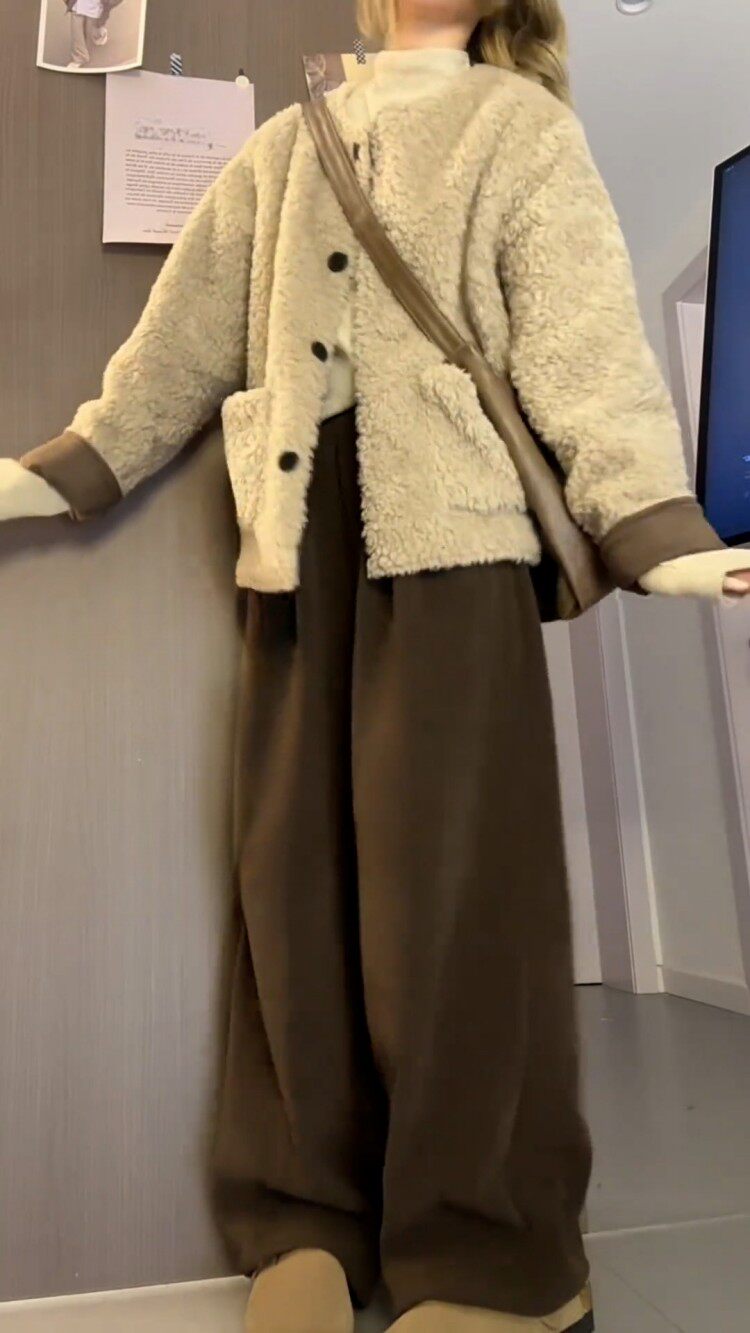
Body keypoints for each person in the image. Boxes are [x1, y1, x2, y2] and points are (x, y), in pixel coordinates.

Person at [3, 0, 750, 1329]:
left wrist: (658, 533)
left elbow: (580, 347)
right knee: (288, 880)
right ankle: (302, 1212)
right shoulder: (285, 147)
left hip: (452, 541)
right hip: (295, 551)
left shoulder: (522, 130)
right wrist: (69, 470)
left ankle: (489, 1247)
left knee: (456, 896)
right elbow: (183, 339)